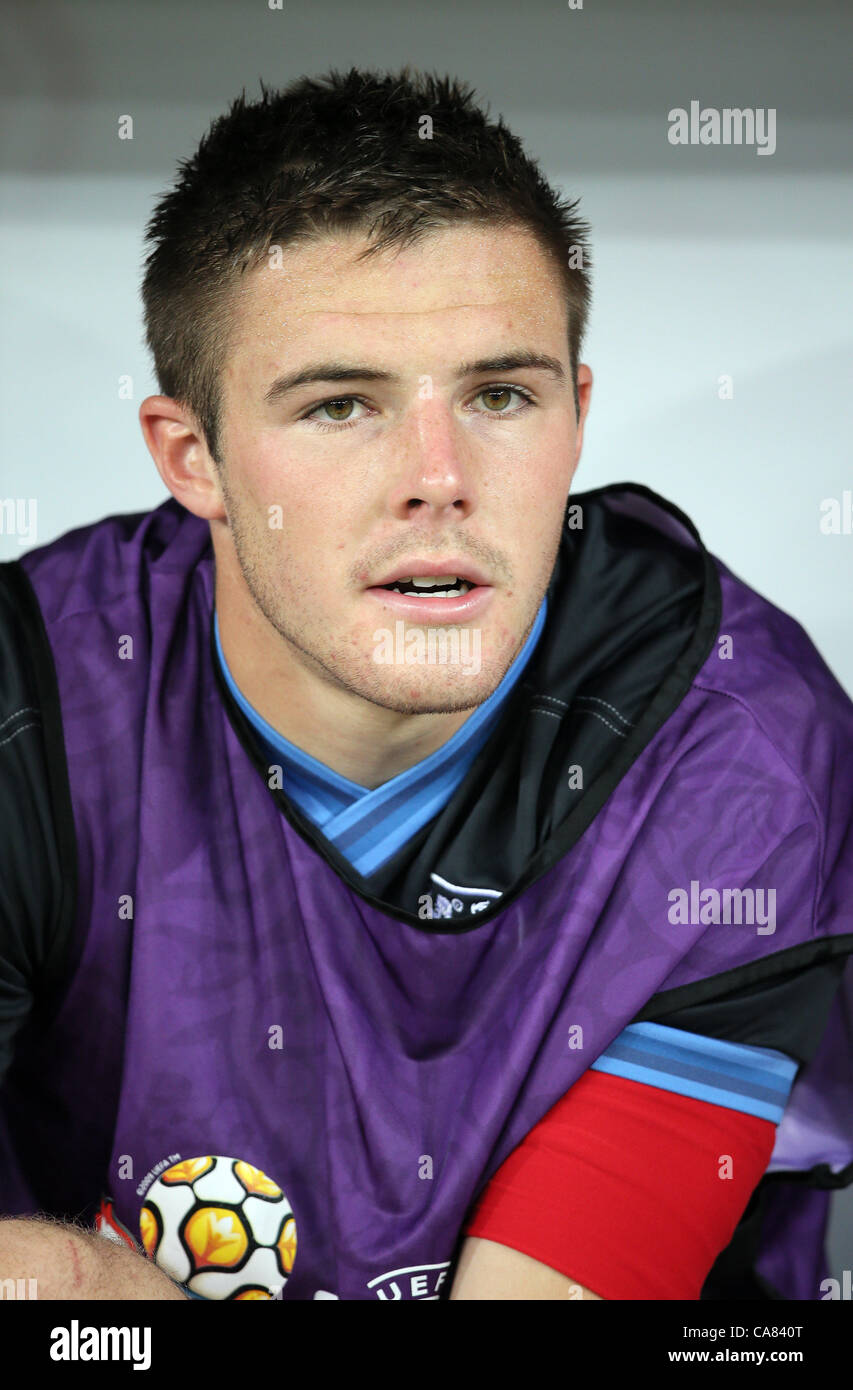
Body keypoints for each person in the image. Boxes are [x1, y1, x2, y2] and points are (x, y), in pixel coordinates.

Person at [0, 66, 851, 1302]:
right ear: (195, 458)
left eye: (502, 395)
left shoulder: (733, 747)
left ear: (577, 417)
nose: (439, 478)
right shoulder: (34, 707)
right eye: (341, 405)